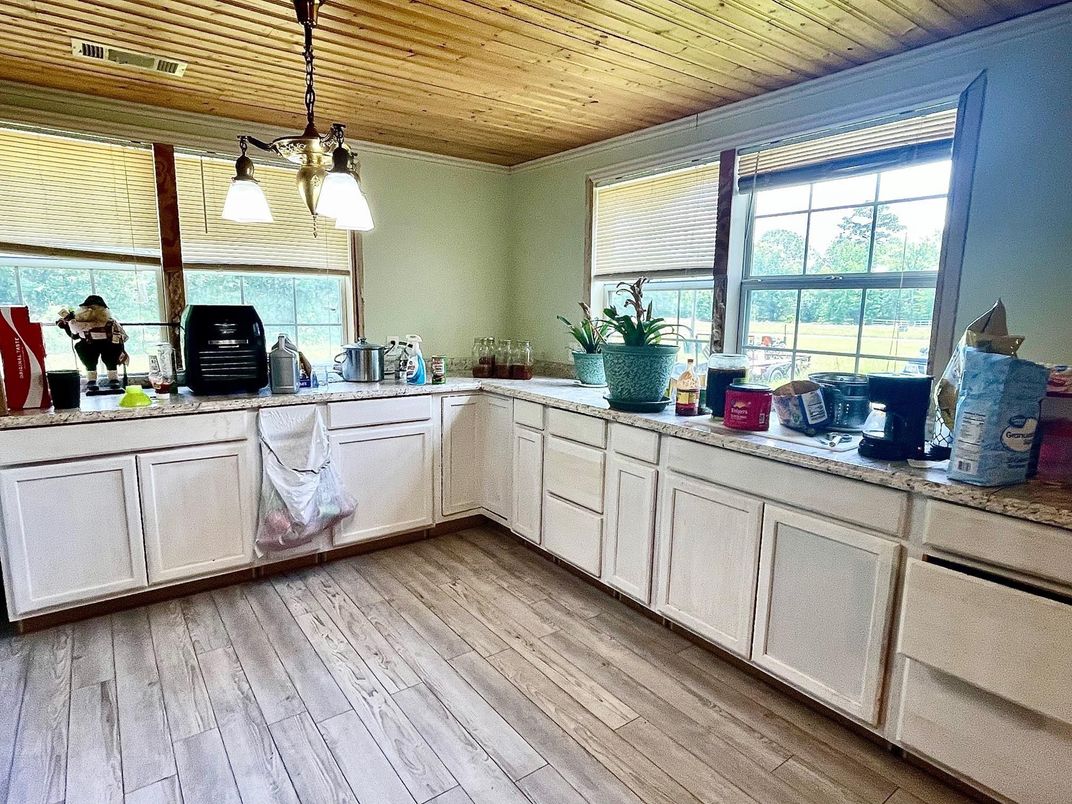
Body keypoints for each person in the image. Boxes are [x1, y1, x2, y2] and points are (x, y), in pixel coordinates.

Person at [57, 295, 129, 391]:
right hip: (90, 345)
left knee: (110, 359)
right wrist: (66, 326)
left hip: (106, 345)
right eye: (88, 308)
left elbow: (74, 335)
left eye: (93, 308)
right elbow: (74, 336)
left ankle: (112, 379)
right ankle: (93, 380)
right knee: (89, 361)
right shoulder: (77, 323)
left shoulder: (110, 322)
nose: (90, 311)